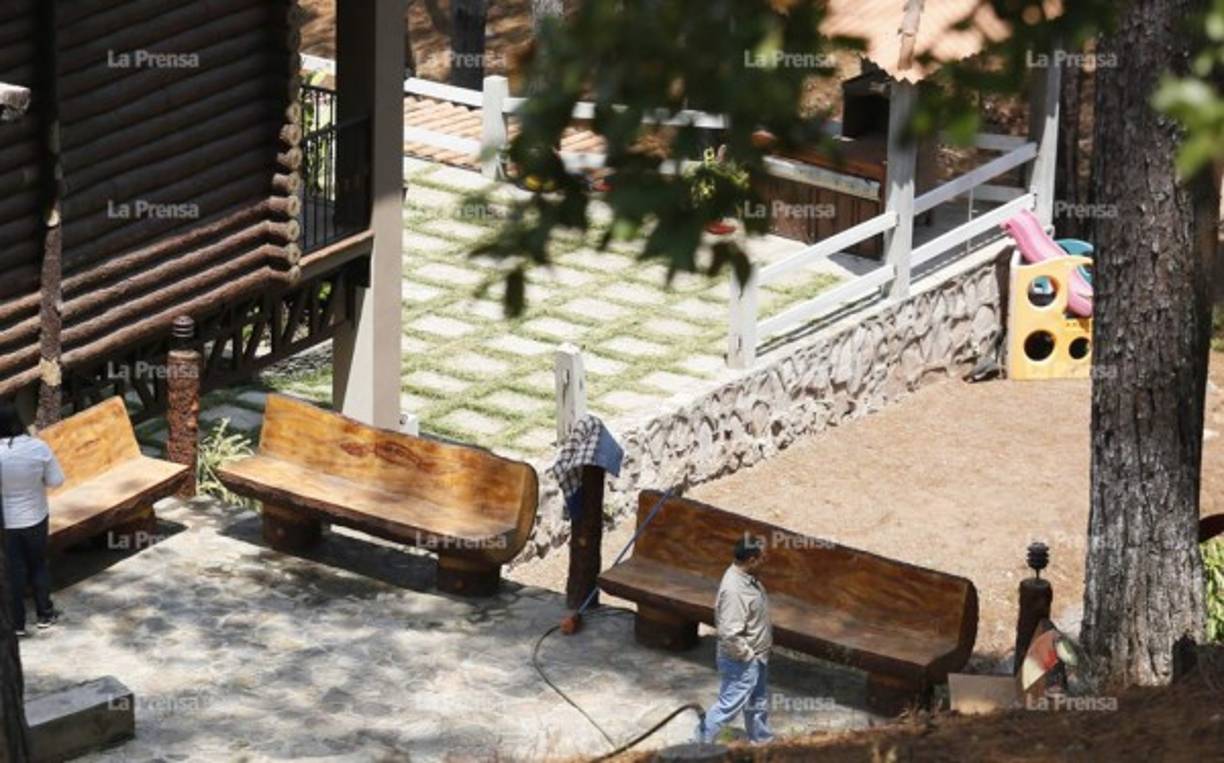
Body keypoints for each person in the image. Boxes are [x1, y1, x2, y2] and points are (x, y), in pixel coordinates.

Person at [696, 534, 774, 745]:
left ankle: (762, 742)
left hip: (756, 657)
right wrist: (748, 658)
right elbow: (730, 632)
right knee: (728, 707)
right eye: (763, 557)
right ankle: (696, 747)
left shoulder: (746, 579)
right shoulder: (735, 590)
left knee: (757, 703)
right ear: (752, 560)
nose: (766, 561)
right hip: (743, 661)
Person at [0, 400, 64, 637]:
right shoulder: (38, 448)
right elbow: (56, 481)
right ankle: (44, 614)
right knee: (38, 565)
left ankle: (17, 623)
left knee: (14, 572)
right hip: (36, 516)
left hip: (7, 522)